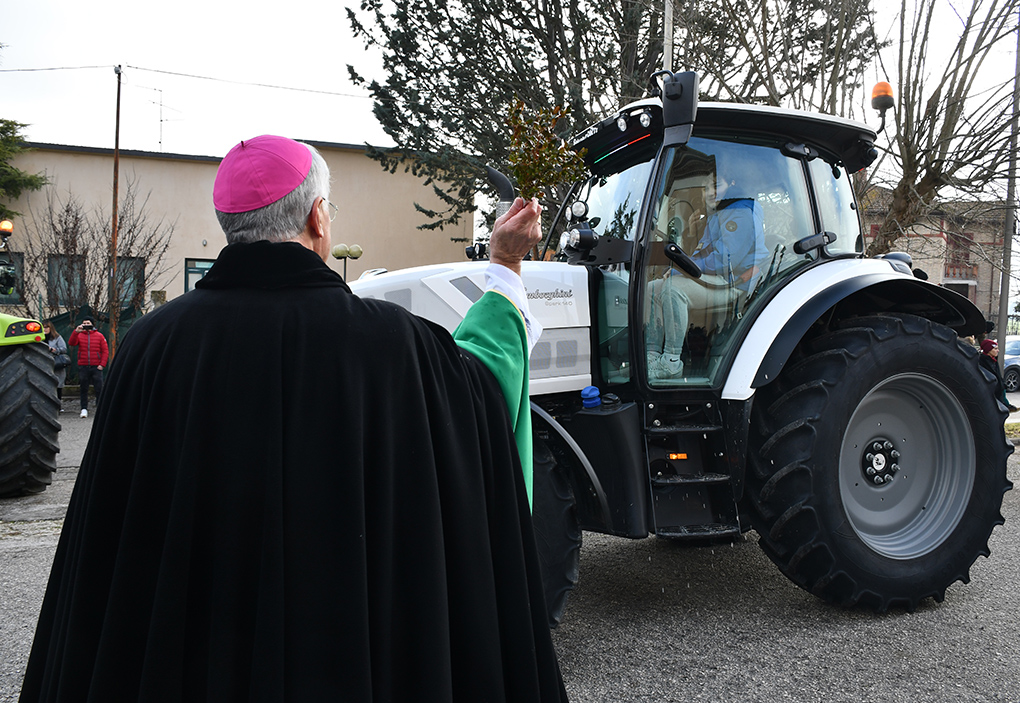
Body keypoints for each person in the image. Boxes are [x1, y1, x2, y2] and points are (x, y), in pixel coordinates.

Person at [20, 135, 567, 702]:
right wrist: (504, 265)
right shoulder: (392, 344)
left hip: (193, 652)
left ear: (230, 222)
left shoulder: (150, 344)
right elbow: (480, 393)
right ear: (317, 217)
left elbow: (113, 528)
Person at [645, 173, 769, 380]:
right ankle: (651, 356)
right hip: (719, 277)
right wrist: (680, 265)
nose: (709, 193)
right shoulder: (717, 216)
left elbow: (724, 261)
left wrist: (681, 270)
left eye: (715, 185)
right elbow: (702, 254)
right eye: (706, 188)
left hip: (735, 282)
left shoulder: (741, 214)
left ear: (733, 184)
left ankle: (671, 362)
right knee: (651, 289)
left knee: (673, 289)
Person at [67, 316, 108, 418]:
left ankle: (100, 408)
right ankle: (84, 409)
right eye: (84, 323)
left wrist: (102, 364)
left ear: (92, 324)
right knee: (83, 388)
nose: (86, 325)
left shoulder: (99, 336)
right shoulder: (79, 335)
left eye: (88, 323)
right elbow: (71, 343)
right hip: (83, 366)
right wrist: (76, 332)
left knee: (99, 388)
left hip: (96, 366)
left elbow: (105, 351)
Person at [978, 339, 1018, 412]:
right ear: (989, 350)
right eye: (995, 349)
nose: (998, 351)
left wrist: (1002, 384)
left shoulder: (993, 360)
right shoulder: (983, 361)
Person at [43, 322, 68, 411]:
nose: (45, 329)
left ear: (51, 328)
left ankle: (58, 405)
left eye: (47, 327)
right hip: (43, 363)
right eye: (43, 327)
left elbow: (64, 349)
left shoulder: (57, 337)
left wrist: (54, 350)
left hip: (55, 364)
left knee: (58, 386)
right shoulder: (39, 339)